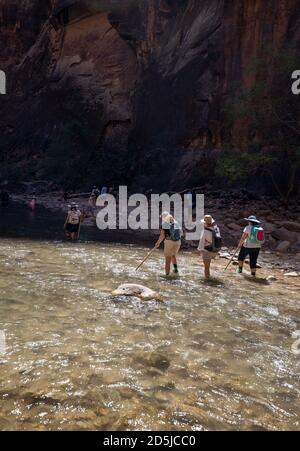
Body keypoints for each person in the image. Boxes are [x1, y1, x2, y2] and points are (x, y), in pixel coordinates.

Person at [155, 211, 182, 276]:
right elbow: (181, 233)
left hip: (169, 242)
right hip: (178, 242)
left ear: (164, 218)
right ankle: (175, 270)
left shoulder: (165, 224)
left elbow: (162, 236)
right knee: (173, 255)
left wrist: (158, 243)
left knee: (167, 259)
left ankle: (167, 274)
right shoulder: (176, 222)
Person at [198, 215, 222, 279]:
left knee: (206, 267)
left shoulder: (205, 231)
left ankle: (207, 280)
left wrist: (199, 250)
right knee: (208, 264)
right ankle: (209, 277)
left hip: (208, 250)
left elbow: (201, 242)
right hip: (216, 249)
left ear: (205, 223)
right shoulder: (217, 228)